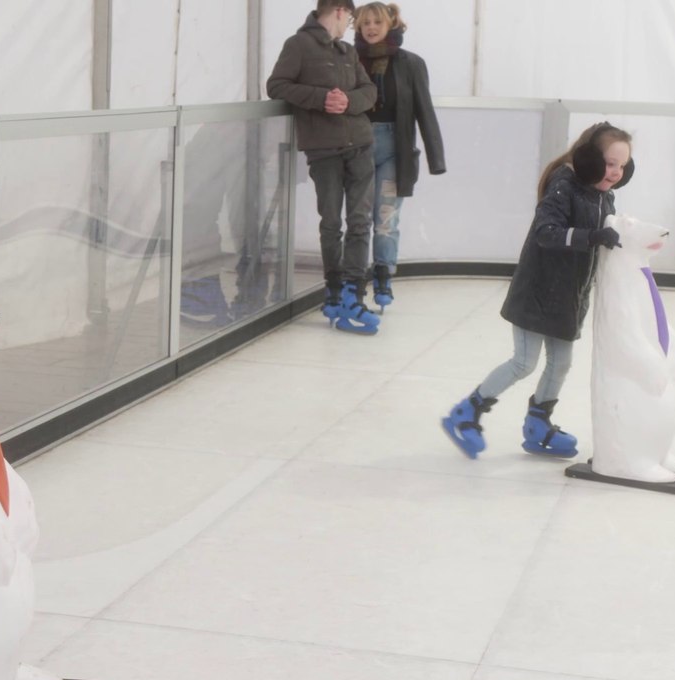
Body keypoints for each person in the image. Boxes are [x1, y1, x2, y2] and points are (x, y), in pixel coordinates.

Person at [441, 123, 634, 459]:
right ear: (588, 158)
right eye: (610, 163)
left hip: (570, 296)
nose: (616, 173)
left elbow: (601, 239)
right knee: (524, 362)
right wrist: (590, 238)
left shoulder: (605, 197)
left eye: (622, 166)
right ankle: (466, 412)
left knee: (560, 364)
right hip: (538, 290)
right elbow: (547, 231)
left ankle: (538, 425)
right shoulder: (565, 184)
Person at [267, 0, 382, 334]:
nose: (350, 25)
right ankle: (333, 290)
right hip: (324, 150)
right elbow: (276, 85)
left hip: (360, 146)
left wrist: (349, 101)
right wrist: (320, 98)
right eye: (351, 18)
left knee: (361, 221)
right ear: (340, 11)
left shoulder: (347, 51)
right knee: (331, 222)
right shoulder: (298, 44)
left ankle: (354, 293)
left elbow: (370, 91)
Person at [353, 2, 445, 309]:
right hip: (358, 147)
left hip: (396, 149)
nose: (371, 27)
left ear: (391, 23)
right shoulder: (349, 59)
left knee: (386, 217)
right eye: (365, 22)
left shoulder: (411, 63)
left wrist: (437, 159)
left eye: (377, 21)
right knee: (358, 217)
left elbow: (425, 111)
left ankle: (383, 274)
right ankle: (354, 279)